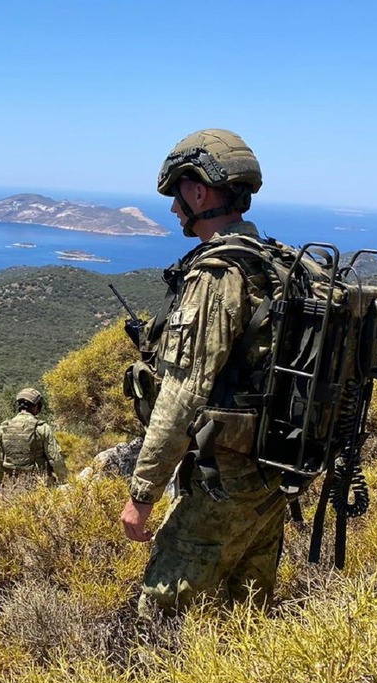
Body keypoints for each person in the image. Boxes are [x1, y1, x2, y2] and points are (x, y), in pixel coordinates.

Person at [118, 129, 289, 615]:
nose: (174, 209)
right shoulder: (276, 261)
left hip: (226, 477)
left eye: (177, 195)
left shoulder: (219, 274)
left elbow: (183, 394)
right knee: (246, 615)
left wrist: (143, 494)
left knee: (163, 613)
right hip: (272, 472)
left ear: (198, 190)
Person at [0, 387, 69, 495]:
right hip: (38, 486)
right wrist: (65, 481)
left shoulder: (5, 427)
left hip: (12, 487)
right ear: (36, 406)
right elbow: (55, 458)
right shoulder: (42, 428)